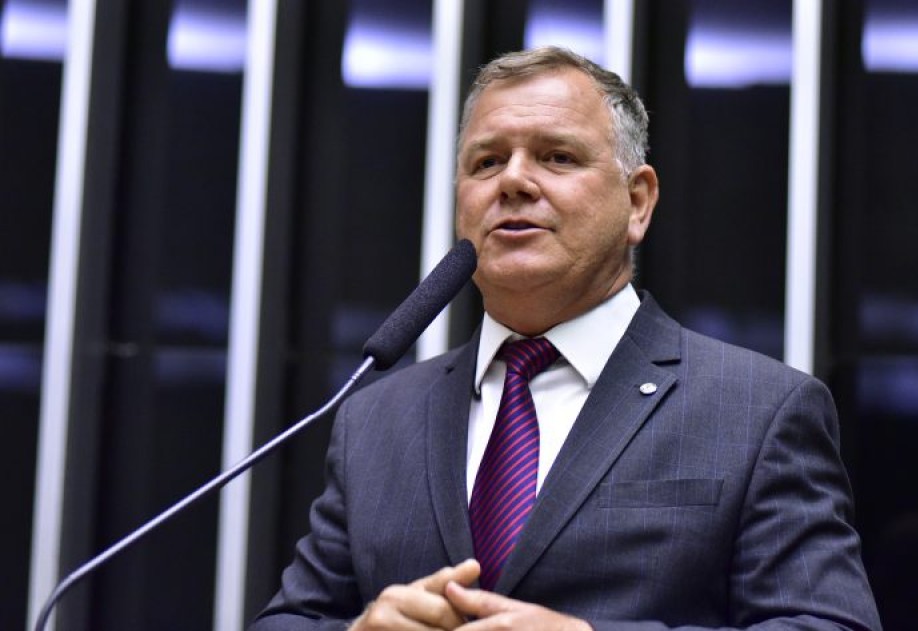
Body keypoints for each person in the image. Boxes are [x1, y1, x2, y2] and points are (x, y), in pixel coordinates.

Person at [250, 46, 881, 630]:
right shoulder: (376, 419)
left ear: (638, 202)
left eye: (557, 157)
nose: (513, 182)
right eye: (486, 162)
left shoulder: (760, 410)